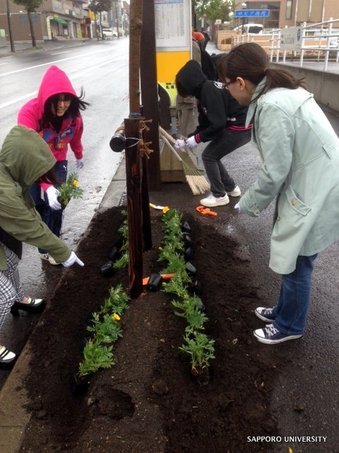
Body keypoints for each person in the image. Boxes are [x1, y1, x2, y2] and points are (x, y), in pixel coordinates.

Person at [217, 42, 339, 344]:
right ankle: (284, 310)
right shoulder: (281, 92)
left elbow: (275, 173)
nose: (229, 91)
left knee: (298, 258)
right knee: (295, 254)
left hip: (318, 185)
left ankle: (290, 326)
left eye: (228, 85)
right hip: (316, 178)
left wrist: (246, 204)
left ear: (241, 82)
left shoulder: (271, 106)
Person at [0, 126, 84, 368]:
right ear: (23, 162)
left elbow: (29, 213)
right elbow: (28, 226)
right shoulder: (3, 190)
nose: (39, 179)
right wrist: (62, 251)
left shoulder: (10, 173)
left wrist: (58, 246)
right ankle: (10, 299)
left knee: (12, 261)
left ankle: (16, 299)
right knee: (2, 295)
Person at [17, 65, 89, 265]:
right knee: (33, 203)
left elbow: (75, 137)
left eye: (66, 99)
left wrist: (79, 154)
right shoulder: (29, 114)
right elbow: (29, 153)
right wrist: (46, 186)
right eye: (57, 100)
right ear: (46, 98)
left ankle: (51, 246)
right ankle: (43, 230)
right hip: (31, 163)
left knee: (57, 203)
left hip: (57, 162)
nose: (62, 105)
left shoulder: (73, 118)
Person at [175, 59, 252, 207]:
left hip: (239, 127)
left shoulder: (209, 90)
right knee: (213, 155)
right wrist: (189, 139)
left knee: (209, 155)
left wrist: (197, 139)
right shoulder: (203, 94)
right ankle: (231, 188)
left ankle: (219, 195)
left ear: (189, 84)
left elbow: (218, 124)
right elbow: (205, 124)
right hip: (240, 126)